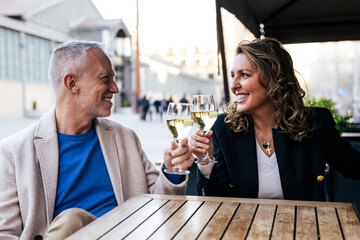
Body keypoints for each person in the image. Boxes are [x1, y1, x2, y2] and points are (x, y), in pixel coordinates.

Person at [0, 40, 194, 239]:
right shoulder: (14, 152)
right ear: (72, 83)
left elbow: (158, 204)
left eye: (114, 78)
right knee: (71, 220)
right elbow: (5, 234)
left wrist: (172, 170)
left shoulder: (125, 137)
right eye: (105, 78)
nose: (115, 88)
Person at [190, 38, 360, 201]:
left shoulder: (315, 123)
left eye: (244, 75)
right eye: (233, 75)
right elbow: (216, 202)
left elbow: (354, 166)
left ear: (273, 79)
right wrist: (205, 161)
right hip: (243, 228)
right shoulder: (224, 127)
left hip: (305, 226)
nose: (234, 86)